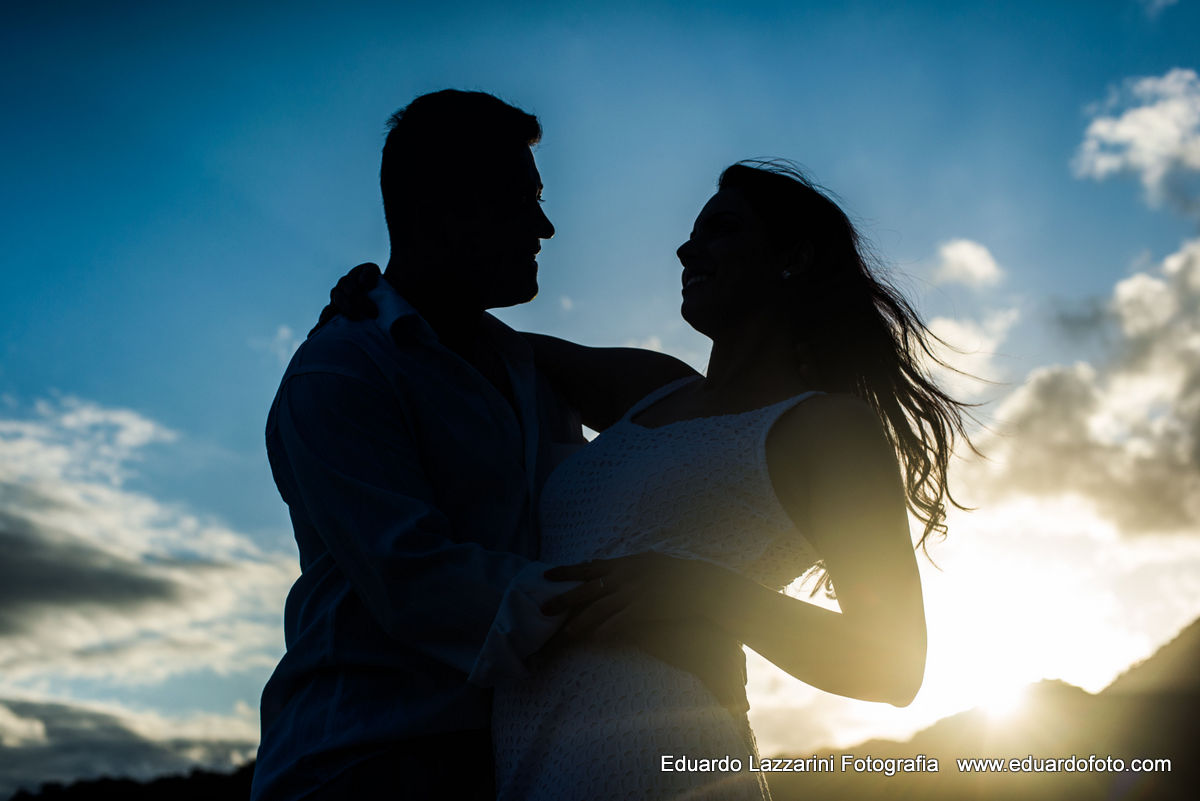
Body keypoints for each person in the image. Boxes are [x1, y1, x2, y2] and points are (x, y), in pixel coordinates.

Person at [328, 160, 974, 799]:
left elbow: (893, 663)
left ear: (794, 257)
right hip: (530, 757)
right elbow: (461, 339)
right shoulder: (648, 387)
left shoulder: (829, 427)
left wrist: (703, 589)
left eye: (720, 229)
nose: (685, 247)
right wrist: (381, 299)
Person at [250, 90, 742, 801]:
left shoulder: (526, 367)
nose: (544, 225)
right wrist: (642, 604)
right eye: (522, 197)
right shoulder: (340, 371)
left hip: (515, 757)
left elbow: (694, 409)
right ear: (444, 206)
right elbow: (416, 580)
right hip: (364, 761)